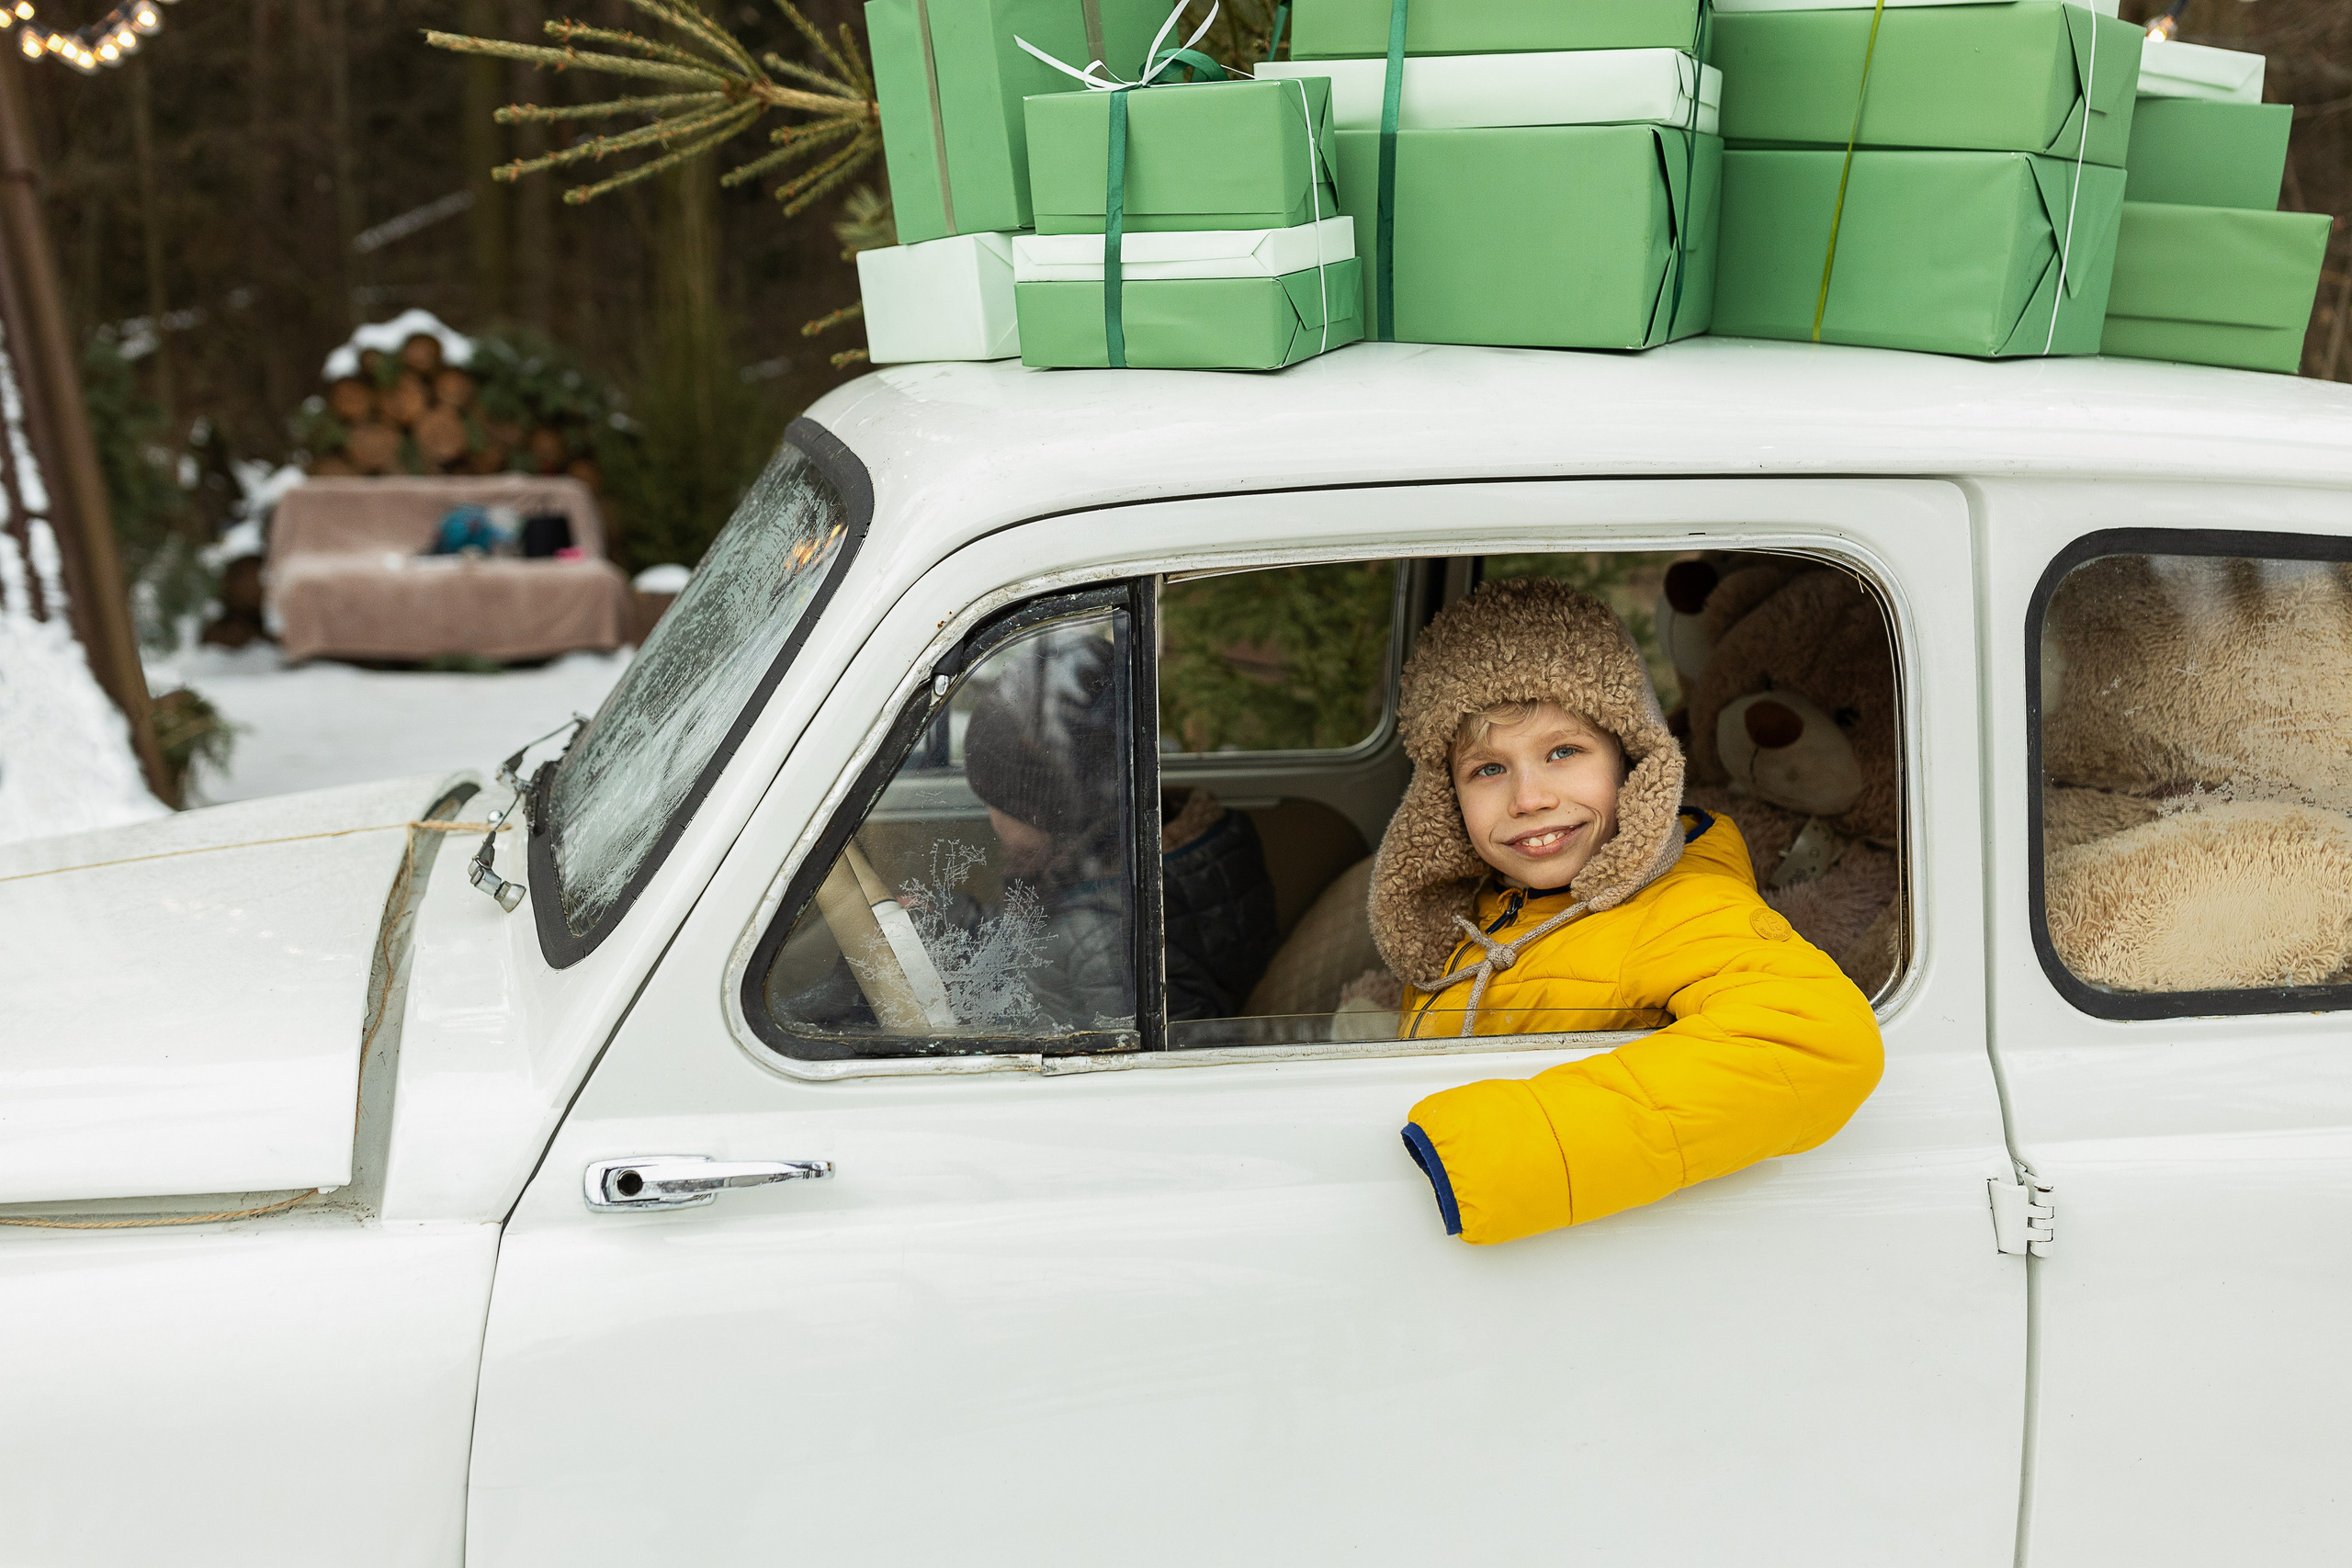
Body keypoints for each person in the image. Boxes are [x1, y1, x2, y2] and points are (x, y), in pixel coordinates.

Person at [1372, 578, 1884, 1246]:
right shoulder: (1486, 910)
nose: (1529, 798)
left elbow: (1816, 1043)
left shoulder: (1681, 904)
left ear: (1632, 764)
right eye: (1488, 770)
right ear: (1445, 798)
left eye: (1563, 752)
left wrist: (1503, 1152)